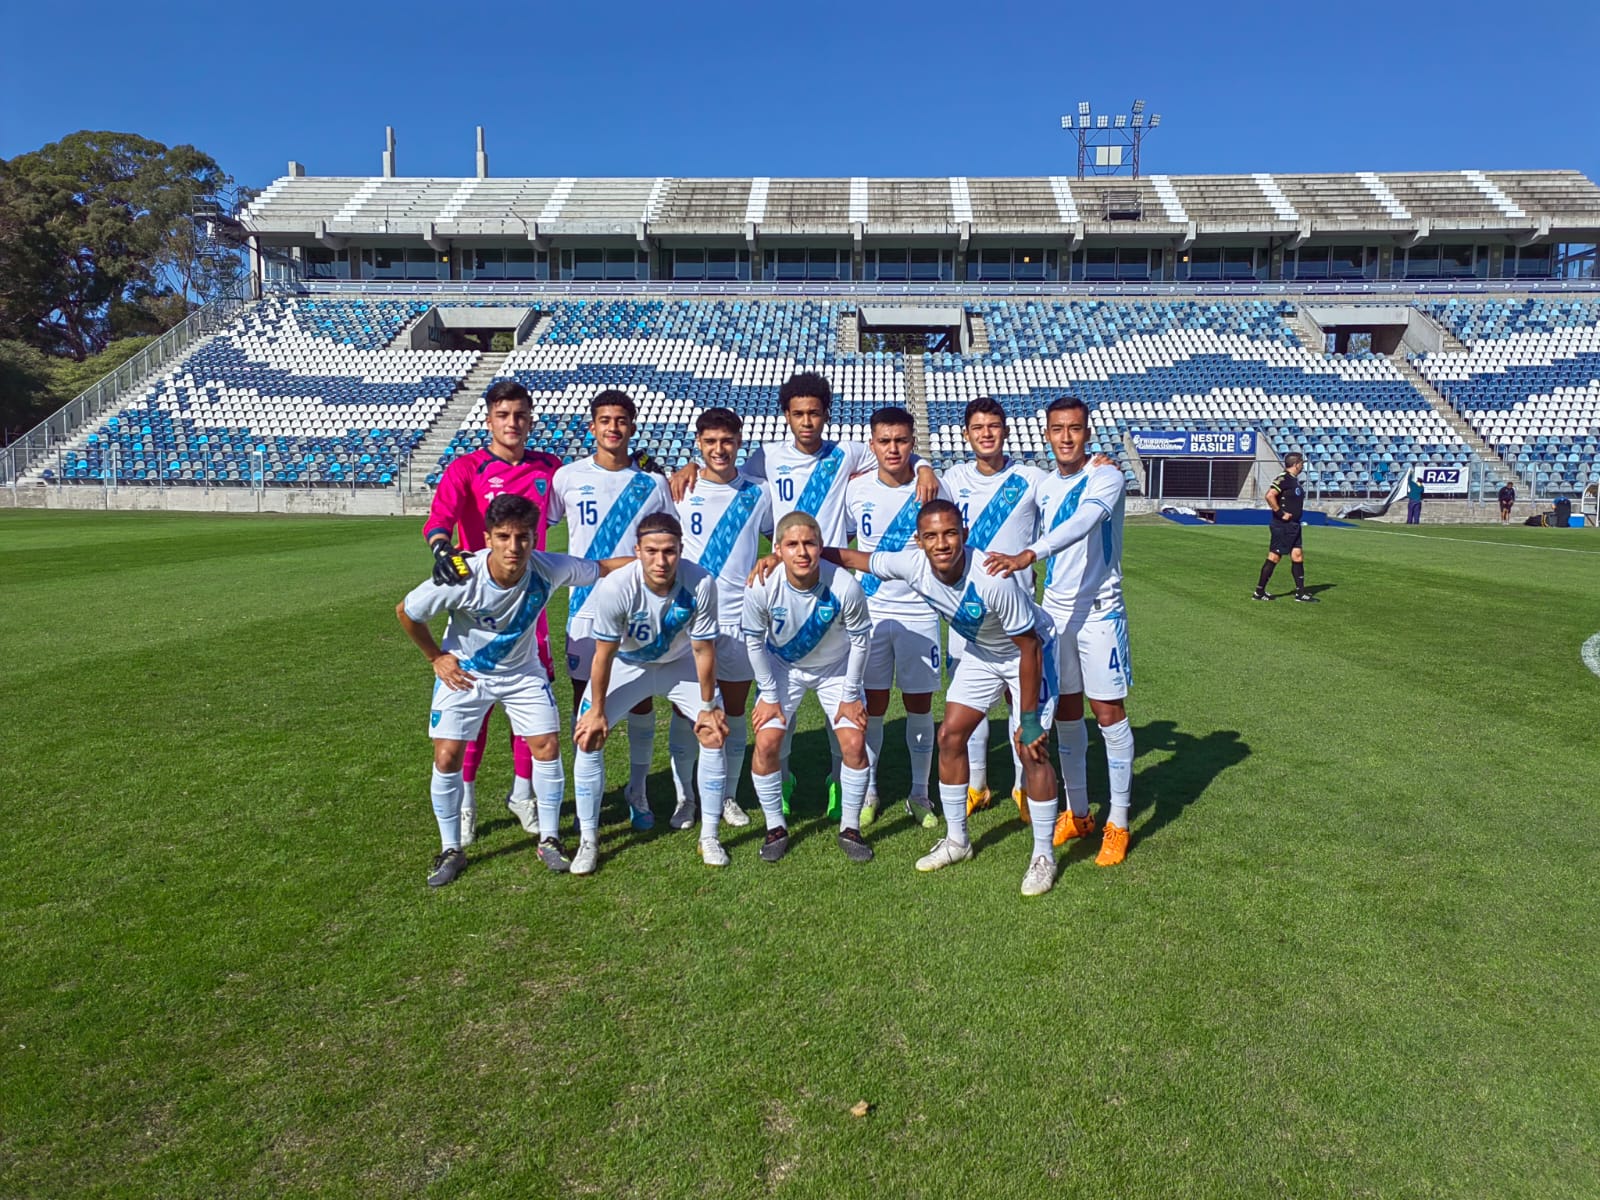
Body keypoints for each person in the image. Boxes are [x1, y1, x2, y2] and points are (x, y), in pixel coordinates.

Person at [671, 372, 940, 817]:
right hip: (784, 589)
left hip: (834, 589)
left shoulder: (847, 454)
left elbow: (896, 455)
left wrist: (926, 464)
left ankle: (844, 781)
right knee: (781, 695)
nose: (807, 421)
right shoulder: (767, 457)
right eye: (798, 414)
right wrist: (691, 468)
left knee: (843, 701)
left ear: (827, 415)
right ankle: (783, 777)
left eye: (815, 413)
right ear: (786, 417)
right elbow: (724, 468)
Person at [396, 494, 627, 886]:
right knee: (448, 754)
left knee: (547, 746)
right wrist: (436, 656)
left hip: (522, 673)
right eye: (503, 536)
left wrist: (660, 563)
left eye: (522, 537)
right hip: (466, 674)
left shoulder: (548, 568)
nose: (513, 547)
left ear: (534, 538)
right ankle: (451, 848)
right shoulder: (461, 576)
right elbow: (406, 611)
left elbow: (603, 568)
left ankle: (550, 839)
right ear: (488, 538)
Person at [984, 397, 1136, 867]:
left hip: (1100, 613)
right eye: (1057, 429)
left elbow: (1084, 522)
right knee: (1066, 714)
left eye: (1074, 428)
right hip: (1055, 614)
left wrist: (1031, 554)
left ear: (1087, 432)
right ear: (1046, 433)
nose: (1066, 437)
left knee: (1107, 712)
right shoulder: (1044, 484)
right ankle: (1080, 813)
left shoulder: (1106, 477)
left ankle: (1120, 823)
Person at [423, 380, 561, 845]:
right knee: (471, 708)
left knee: (532, 711)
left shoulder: (549, 468)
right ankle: (464, 799)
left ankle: (523, 795)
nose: (512, 423)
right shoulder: (468, 467)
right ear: (489, 420)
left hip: (529, 606)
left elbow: (593, 485)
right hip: (477, 606)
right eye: (503, 415)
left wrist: (647, 463)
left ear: (530, 418)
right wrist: (442, 549)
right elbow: (439, 518)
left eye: (520, 415)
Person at [572, 513, 730, 873]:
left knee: (713, 732)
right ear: (637, 551)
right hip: (629, 663)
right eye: (652, 551)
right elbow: (603, 655)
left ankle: (710, 836)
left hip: (678, 664)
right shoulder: (616, 587)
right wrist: (596, 710)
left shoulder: (701, 582)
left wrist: (707, 707)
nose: (661, 561)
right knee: (589, 735)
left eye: (670, 552)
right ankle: (588, 841)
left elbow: (704, 649)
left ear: (681, 549)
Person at [547, 390, 675, 830]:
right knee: (586, 705)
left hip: (639, 612)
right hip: (584, 610)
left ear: (633, 427)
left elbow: (670, 539)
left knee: (640, 703)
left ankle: (637, 791)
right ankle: (589, 796)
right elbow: (538, 530)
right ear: (593, 426)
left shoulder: (653, 485)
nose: (613, 428)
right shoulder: (566, 477)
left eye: (621, 420)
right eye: (605, 420)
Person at [938, 396, 1049, 822]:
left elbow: (1064, 491)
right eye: (978, 427)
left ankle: (1023, 787)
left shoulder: (1031, 478)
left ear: (1005, 431)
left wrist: (1099, 465)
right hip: (966, 613)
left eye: (994, 426)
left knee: (1017, 701)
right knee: (967, 705)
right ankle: (977, 786)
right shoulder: (952, 478)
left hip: (1015, 611)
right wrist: (927, 467)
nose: (986, 433)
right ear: (966, 434)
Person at [742, 511, 875, 863]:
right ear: (778, 549)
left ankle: (850, 828)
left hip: (835, 668)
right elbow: (754, 643)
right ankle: (775, 827)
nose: (802, 552)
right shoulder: (762, 586)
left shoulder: (845, 586)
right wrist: (769, 696)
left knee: (854, 742)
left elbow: (861, 642)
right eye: (792, 544)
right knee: (767, 741)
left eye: (810, 543)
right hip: (783, 668)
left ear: (821, 547)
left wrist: (850, 696)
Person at [670, 407, 773, 832]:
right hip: (689, 619)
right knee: (685, 712)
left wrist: (772, 554)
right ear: (699, 443)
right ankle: (684, 798)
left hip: (738, 620)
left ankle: (726, 795)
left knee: (732, 711)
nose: (719, 450)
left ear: (739, 441)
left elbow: (781, 536)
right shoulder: (680, 490)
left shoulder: (758, 492)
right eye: (710, 442)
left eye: (727, 441)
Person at [845, 406, 948, 827]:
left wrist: (925, 468)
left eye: (902, 441)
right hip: (869, 611)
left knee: (920, 705)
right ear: (872, 445)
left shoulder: (932, 489)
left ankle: (920, 793)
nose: (893, 448)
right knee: (873, 705)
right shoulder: (853, 489)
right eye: (884, 441)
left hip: (921, 611)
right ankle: (869, 791)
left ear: (912, 444)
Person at [1252, 452, 1317, 603]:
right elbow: (1270, 495)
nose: (1302, 466)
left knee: (1298, 555)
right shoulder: (1284, 478)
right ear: (1296, 464)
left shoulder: (1293, 480)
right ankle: (1259, 592)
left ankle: (1300, 593)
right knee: (1274, 556)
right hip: (1283, 526)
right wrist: (1280, 513)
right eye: (1301, 463)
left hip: (1294, 525)